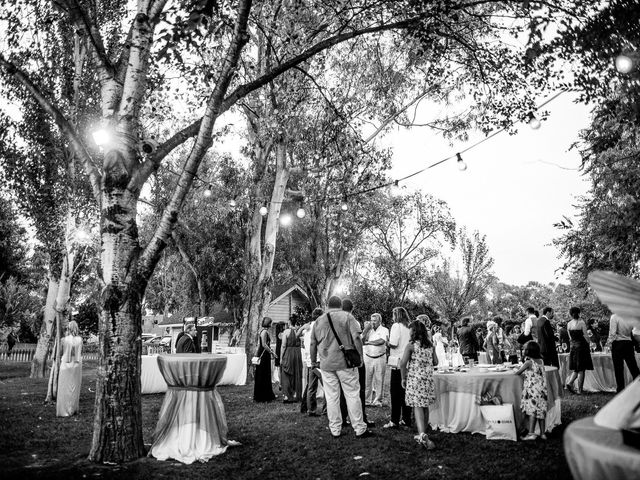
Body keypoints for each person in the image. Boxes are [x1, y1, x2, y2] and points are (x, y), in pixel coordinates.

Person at [310, 295, 372, 439]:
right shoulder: (348, 317)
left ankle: (335, 429)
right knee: (352, 394)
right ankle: (359, 428)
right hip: (346, 363)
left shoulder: (319, 320)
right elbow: (357, 338)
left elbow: (313, 343)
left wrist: (313, 362)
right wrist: (360, 357)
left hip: (326, 364)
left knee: (331, 397)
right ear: (340, 305)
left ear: (328, 305)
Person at [401, 320, 437, 450]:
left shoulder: (411, 345)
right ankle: (424, 431)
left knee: (417, 406)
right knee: (425, 405)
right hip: (427, 379)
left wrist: (403, 378)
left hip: (415, 379)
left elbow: (402, 363)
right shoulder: (430, 345)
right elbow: (436, 361)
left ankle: (422, 435)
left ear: (414, 331)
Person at [340, 299, 373, 427]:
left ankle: (343, 418)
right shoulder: (352, 320)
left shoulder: (338, 322)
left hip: (342, 358)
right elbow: (358, 339)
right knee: (360, 389)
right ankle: (362, 418)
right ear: (352, 308)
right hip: (353, 357)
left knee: (343, 389)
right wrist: (360, 357)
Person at [384, 306, 412, 429]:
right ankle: (406, 419)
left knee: (395, 393)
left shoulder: (396, 326)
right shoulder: (409, 327)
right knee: (406, 392)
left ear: (397, 315)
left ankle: (394, 420)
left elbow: (394, 344)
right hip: (408, 363)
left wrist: (386, 342)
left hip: (397, 363)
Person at [515, 341, 548, 441]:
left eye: (525, 349)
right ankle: (543, 434)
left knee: (532, 412)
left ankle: (531, 433)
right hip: (542, 391)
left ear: (529, 351)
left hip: (532, 391)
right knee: (541, 412)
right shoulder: (541, 361)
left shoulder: (528, 362)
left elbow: (518, 373)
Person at [300, 308, 326, 416]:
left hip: (310, 361)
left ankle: (311, 410)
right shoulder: (321, 327)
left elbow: (305, 344)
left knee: (311, 387)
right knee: (327, 386)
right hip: (319, 360)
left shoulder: (306, 329)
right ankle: (326, 410)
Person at [606, 313, 640, 393]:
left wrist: (608, 344)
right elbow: (634, 332)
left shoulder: (614, 317)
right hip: (628, 343)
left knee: (618, 369)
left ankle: (620, 389)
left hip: (617, 344)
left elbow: (612, 333)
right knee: (633, 367)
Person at [56, 320, 83, 417]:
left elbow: (60, 352)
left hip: (65, 365)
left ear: (68, 328)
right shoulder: (80, 339)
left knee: (64, 386)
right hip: (76, 364)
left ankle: (64, 410)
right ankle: (73, 408)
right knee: (75, 387)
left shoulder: (64, 340)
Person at [566, 307, 593, 394]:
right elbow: (585, 336)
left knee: (576, 368)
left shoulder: (569, 324)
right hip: (582, 347)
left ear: (570, 314)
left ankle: (570, 383)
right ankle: (580, 390)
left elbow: (570, 338)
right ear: (579, 313)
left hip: (573, 347)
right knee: (581, 369)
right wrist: (589, 342)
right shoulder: (581, 323)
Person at [363, 313, 389, 407]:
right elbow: (362, 341)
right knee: (367, 380)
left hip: (379, 357)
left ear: (380, 321)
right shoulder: (368, 330)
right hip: (368, 357)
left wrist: (369, 342)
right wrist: (366, 330)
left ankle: (378, 400)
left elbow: (381, 341)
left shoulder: (384, 330)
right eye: (372, 320)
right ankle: (366, 400)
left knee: (379, 379)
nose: (372, 322)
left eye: (375, 320)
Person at [254, 317, 277, 402]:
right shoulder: (264, 332)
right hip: (264, 355)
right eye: (271, 322)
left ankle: (266, 394)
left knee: (265, 373)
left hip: (264, 354)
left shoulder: (264, 331)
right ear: (268, 323)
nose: (272, 324)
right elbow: (263, 344)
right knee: (263, 373)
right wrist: (272, 352)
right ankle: (262, 395)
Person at [280, 317, 303, 403]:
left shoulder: (286, 331)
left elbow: (283, 346)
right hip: (297, 354)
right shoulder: (299, 331)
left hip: (289, 352)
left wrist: (281, 357)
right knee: (296, 373)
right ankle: (295, 395)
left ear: (289, 322)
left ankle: (286, 396)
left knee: (286, 373)